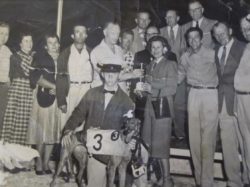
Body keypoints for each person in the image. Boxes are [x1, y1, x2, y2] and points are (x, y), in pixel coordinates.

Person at [62, 63, 134, 187]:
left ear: (119, 75)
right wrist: (68, 130)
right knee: (94, 183)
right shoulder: (92, 93)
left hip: (114, 149)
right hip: (95, 150)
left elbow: (129, 125)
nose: (110, 76)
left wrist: (129, 139)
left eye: (114, 73)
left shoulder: (126, 100)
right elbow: (78, 113)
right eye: (107, 73)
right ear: (102, 74)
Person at [178, 27, 218, 187]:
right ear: (187, 40)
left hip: (210, 94)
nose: (193, 41)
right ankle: (199, 180)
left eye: (196, 37)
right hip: (193, 94)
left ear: (202, 39)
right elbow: (179, 76)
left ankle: (207, 182)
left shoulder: (212, 53)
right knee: (194, 140)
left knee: (207, 141)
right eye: (190, 38)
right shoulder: (185, 56)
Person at [213, 22, 245, 187]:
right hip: (223, 104)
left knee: (247, 143)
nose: (220, 37)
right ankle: (234, 182)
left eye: (223, 33)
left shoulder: (244, 47)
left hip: (241, 102)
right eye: (217, 35)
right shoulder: (216, 50)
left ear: (230, 30)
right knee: (228, 145)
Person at [142, 36, 177, 187]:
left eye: (158, 47)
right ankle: (160, 177)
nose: (155, 50)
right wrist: (142, 91)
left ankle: (167, 179)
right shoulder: (149, 65)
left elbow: (172, 88)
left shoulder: (170, 64)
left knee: (161, 145)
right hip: (149, 107)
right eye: (153, 47)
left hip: (163, 106)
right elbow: (147, 88)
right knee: (149, 142)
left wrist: (152, 88)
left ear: (164, 48)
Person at [27, 33, 61, 175]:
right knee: (40, 131)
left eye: (55, 42)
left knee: (52, 131)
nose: (53, 45)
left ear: (59, 44)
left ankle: (47, 163)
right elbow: (36, 78)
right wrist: (53, 86)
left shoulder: (63, 58)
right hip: (43, 97)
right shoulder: (39, 57)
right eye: (50, 43)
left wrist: (61, 89)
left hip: (58, 100)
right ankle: (39, 163)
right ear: (46, 45)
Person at [56, 22, 94, 130]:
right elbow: (60, 77)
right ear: (72, 36)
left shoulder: (92, 53)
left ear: (86, 35)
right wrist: (61, 100)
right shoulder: (65, 54)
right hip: (70, 91)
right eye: (77, 32)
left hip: (86, 91)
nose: (81, 35)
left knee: (82, 125)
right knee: (66, 126)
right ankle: (65, 147)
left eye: (83, 32)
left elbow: (96, 76)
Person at [0, 31, 35, 145]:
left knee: (24, 123)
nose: (29, 44)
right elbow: (29, 71)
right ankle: (7, 152)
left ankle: (19, 153)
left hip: (28, 93)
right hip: (16, 92)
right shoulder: (15, 56)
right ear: (20, 44)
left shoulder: (33, 57)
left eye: (30, 41)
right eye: (26, 41)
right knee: (12, 121)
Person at [91, 21, 143, 90]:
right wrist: (131, 75)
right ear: (105, 32)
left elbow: (122, 71)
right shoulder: (97, 51)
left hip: (120, 92)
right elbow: (108, 77)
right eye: (113, 33)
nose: (116, 36)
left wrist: (133, 73)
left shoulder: (119, 49)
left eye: (118, 33)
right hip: (103, 93)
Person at [161, 9, 187, 140]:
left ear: (178, 18)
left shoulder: (185, 30)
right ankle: (166, 133)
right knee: (165, 104)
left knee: (179, 105)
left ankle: (180, 134)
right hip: (165, 75)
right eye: (166, 17)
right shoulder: (160, 32)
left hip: (181, 74)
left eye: (171, 17)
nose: (168, 20)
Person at [234, 14, 250, 187]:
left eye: (249, 28)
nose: (246, 32)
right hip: (240, 99)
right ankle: (246, 178)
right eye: (244, 29)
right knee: (244, 142)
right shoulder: (246, 47)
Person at [0, 21, 12, 132]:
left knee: (1, 118)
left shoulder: (7, 51)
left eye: (6, 34)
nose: (4, 37)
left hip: (3, 88)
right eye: (1, 33)